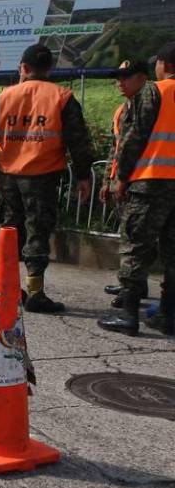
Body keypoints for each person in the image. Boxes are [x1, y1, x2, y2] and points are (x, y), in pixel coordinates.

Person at [0, 43, 94, 313]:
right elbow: (79, 143)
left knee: (10, 231)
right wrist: (84, 175)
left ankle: (9, 288)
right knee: (37, 232)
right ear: (49, 68)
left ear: (24, 68)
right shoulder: (62, 97)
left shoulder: (5, 97)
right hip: (43, 176)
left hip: (9, 177)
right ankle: (36, 292)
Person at [98, 46, 175, 336]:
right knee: (173, 253)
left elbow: (133, 139)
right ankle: (168, 315)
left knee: (135, 246)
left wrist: (122, 178)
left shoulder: (154, 92)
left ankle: (128, 315)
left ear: (163, 65)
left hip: (151, 181)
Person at [100, 59, 150, 308]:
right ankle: (131, 284)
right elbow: (116, 148)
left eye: (126, 77)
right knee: (127, 234)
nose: (120, 82)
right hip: (125, 181)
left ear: (142, 78)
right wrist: (108, 179)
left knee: (135, 239)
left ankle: (133, 292)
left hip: (142, 182)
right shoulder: (123, 109)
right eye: (118, 77)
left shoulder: (149, 106)